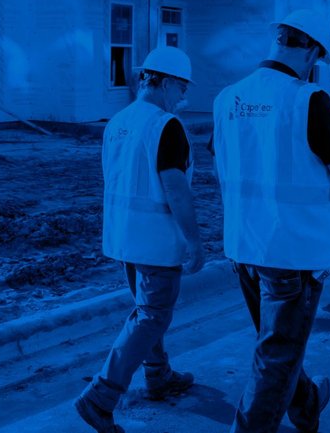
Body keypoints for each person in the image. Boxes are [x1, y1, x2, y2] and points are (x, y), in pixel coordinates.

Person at [211, 9, 330, 433]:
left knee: (277, 344)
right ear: (312, 51)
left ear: (277, 42)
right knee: (276, 354)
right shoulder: (306, 98)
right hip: (291, 251)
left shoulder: (228, 98)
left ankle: (307, 402)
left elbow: (225, 156)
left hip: (243, 245)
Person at [75, 46, 206, 433]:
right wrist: (195, 241)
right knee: (152, 314)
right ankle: (100, 396)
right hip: (154, 240)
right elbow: (176, 189)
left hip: (123, 236)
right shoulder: (165, 126)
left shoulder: (118, 121)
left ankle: (158, 374)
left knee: (147, 310)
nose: (184, 96)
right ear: (163, 82)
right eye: (181, 87)